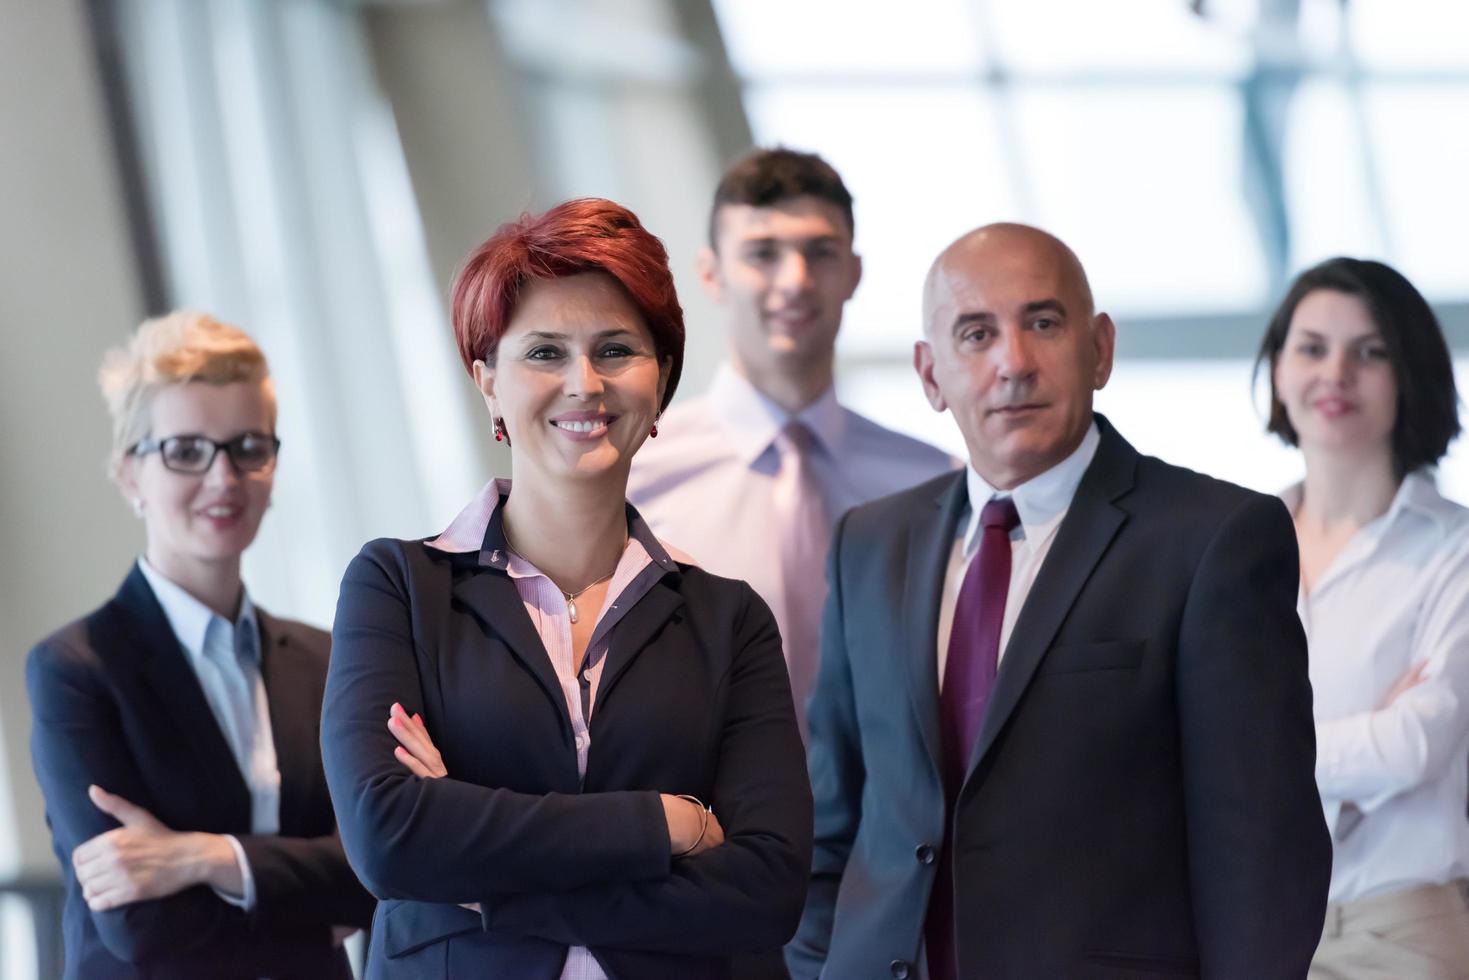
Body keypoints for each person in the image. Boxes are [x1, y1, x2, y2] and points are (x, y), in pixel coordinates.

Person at [788, 223, 1331, 979]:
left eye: (1042, 323)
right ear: (930, 373)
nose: (1013, 362)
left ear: (1099, 347)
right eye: (975, 334)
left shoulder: (1213, 541)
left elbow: (1263, 852)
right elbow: (831, 821)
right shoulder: (869, 545)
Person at [320, 198, 813, 979]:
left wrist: (489, 880)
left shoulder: (728, 619)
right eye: (544, 353)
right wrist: (662, 822)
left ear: (662, 382)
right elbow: (388, 837)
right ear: (487, 381)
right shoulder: (397, 588)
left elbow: (765, 889)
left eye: (615, 350)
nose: (583, 383)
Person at [26, 312, 375, 979]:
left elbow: (373, 868)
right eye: (186, 450)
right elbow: (142, 927)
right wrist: (313, 914)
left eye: (248, 447)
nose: (224, 479)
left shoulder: (326, 659)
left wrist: (204, 858)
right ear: (130, 475)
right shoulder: (77, 669)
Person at [627, 147, 955, 741]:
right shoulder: (633, 479)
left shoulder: (934, 485)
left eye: (820, 252)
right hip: (702, 825)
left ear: (854, 273)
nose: (796, 280)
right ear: (711, 274)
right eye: (763, 254)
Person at [1256, 258, 1469, 979]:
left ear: (1408, 371)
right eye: (1312, 347)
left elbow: (1414, 745)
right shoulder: (1234, 549)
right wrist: (1356, 741)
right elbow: (1183, 747)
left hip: (1396, 932)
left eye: (1369, 351)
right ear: (1278, 368)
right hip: (1249, 926)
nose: (1335, 372)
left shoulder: (1454, 550)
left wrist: (1260, 751)